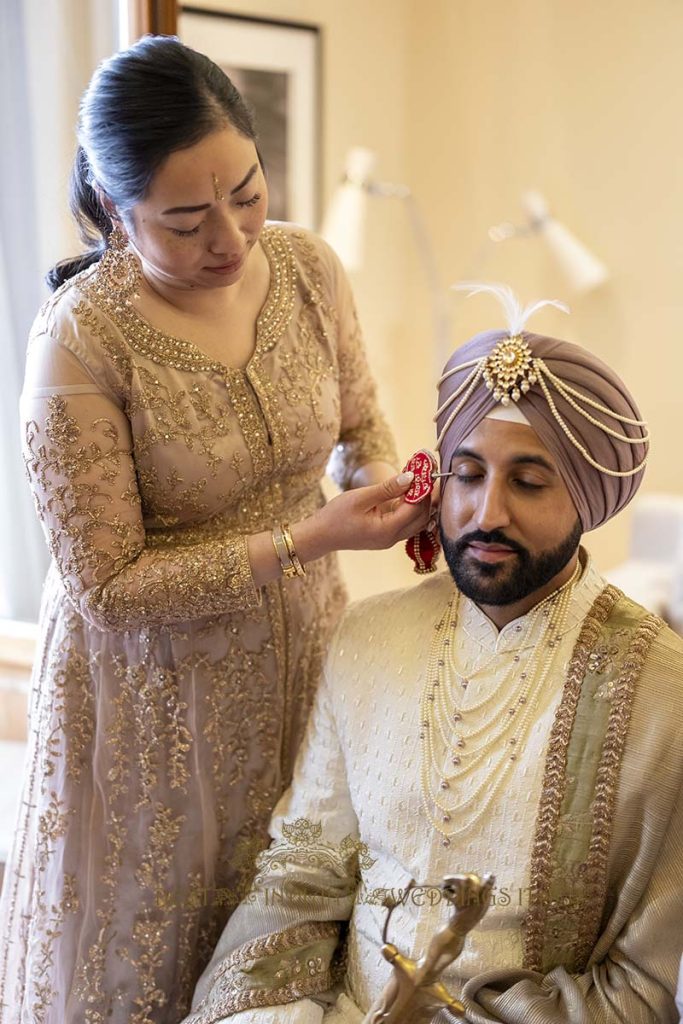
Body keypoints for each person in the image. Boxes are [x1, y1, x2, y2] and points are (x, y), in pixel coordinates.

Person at [0, 35, 432, 1024]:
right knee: (154, 963)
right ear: (116, 209)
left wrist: (384, 483)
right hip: (153, 707)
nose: (230, 237)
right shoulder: (78, 338)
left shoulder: (311, 271)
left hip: (303, 670)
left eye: (245, 191)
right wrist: (305, 541)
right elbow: (105, 587)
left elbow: (358, 422)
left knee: (280, 959)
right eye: (187, 219)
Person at [183, 285, 683, 1024]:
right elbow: (301, 869)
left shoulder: (660, 692)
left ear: (586, 498)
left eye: (529, 481)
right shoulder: (369, 637)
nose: (487, 513)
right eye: (468, 474)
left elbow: (642, 983)